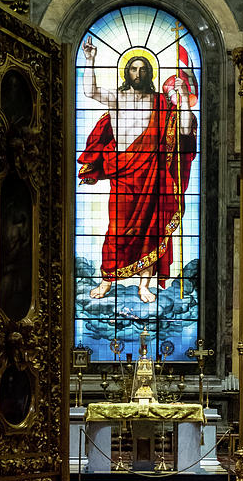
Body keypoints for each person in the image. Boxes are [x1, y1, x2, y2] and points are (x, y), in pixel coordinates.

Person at [78, 36, 197, 303]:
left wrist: (185, 98)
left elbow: (186, 129)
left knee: (150, 230)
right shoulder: (117, 99)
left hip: (152, 175)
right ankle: (107, 280)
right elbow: (90, 91)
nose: (138, 73)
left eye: (144, 69)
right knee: (117, 229)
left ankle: (145, 284)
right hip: (124, 174)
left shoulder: (162, 103)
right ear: (126, 72)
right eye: (134, 68)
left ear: (150, 73)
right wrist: (90, 59)